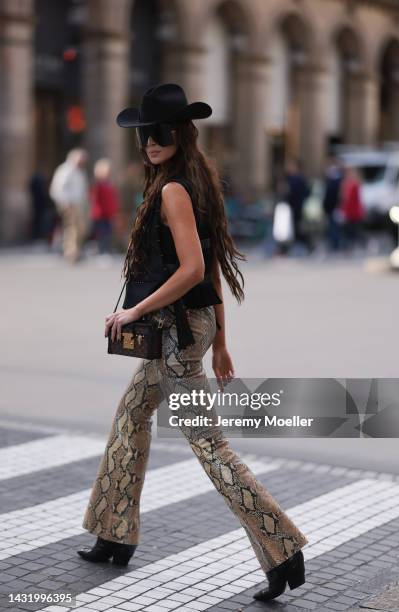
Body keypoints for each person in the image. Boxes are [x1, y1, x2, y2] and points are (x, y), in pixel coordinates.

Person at [77, 83, 308, 602]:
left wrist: (135, 309)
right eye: (144, 135)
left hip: (176, 335)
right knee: (131, 418)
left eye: (158, 134)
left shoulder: (174, 190)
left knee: (208, 445)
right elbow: (214, 274)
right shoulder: (191, 183)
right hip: (189, 328)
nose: (149, 143)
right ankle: (113, 533)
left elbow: (196, 269)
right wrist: (222, 340)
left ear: (179, 134)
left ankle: (282, 544)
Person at [49, 148, 89, 263]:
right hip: (70, 204)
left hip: (79, 204)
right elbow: (57, 189)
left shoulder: (79, 171)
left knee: (80, 229)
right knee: (72, 229)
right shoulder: (66, 170)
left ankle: (76, 251)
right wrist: (65, 202)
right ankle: (71, 253)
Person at [89, 158, 120, 257]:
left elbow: (114, 199)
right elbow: (93, 199)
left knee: (108, 233)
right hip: (100, 214)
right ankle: (101, 251)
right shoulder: (97, 184)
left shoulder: (110, 183)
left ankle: (106, 250)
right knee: (102, 234)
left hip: (109, 213)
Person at [284, 158, 313, 253]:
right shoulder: (296, 178)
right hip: (295, 207)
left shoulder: (296, 179)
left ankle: (308, 245)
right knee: (294, 229)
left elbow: (291, 194)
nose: (288, 168)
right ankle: (307, 245)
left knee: (296, 229)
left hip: (296, 208)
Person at [338, 166, 366, 252]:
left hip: (353, 211)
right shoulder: (348, 184)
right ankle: (350, 245)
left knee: (353, 230)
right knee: (350, 230)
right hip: (350, 212)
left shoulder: (354, 185)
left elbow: (349, 199)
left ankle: (355, 245)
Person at [322, 156, 344, 252]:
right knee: (333, 226)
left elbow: (333, 195)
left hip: (334, 206)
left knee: (334, 226)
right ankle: (335, 243)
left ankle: (335, 244)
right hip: (333, 206)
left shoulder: (335, 180)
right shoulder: (335, 179)